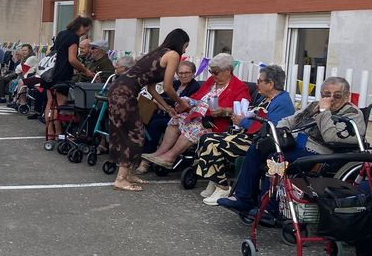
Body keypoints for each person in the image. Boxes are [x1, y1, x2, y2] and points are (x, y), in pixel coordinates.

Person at [219, 76, 365, 216]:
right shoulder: (315, 105)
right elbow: (291, 120)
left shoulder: (352, 114)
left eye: (337, 95)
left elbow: (331, 137)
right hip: (297, 144)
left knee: (276, 158)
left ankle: (269, 209)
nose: (331, 98)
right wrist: (279, 129)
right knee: (258, 147)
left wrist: (324, 112)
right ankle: (243, 198)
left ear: (346, 96)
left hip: (322, 153)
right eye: (327, 94)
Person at [195, 65, 294, 205]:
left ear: (270, 84)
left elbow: (271, 127)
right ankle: (215, 179)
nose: (257, 84)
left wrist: (243, 122)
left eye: (260, 81)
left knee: (212, 142)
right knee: (205, 138)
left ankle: (222, 186)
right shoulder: (264, 98)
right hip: (249, 136)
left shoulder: (282, 102)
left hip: (260, 142)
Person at [107, 28, 191, 191]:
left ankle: (129, 174)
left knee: (132, 131)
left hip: (120, 89)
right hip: (124, 93)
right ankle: (121, 178)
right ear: (180, 43)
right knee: (133, 134)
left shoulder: (158, 53)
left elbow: (152, 88)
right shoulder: (173, 55)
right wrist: (181, 103)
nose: (185, 50)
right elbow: (167, 87)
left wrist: (167, 108)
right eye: (185, 45)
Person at [144, 53, 249, 169]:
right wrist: (186, 101)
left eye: (216, 72)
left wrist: (223, 111)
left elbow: (241, 110)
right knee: (176, 120)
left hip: (213, 122)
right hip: (197, 115)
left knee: (194, 127)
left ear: (228, 71)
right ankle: (160, 153)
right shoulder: (211, 81)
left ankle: (170, 157)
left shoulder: (239, 87)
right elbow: (197, 96)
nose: (213, 75)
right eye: (211, 71)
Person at [138, 61, 201, 165]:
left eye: (187, 72)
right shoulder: (175, 84)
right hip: (166, 112)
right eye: (180, 73)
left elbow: (182, 105)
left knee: (155, 124)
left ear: (193, 73)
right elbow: (161, 97)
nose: (183, 75)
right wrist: (164, 105)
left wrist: (164, 104)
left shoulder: (195, 87)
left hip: (181, 116)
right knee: (145, 120)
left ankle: (145, 162)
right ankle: (142, 154)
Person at [47, 17, 93, 139]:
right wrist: (85, 70)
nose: (86, 33)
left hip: (49, 72)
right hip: (62, 74)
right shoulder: (73, 37)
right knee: (60, 104)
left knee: (50, 102)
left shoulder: (61, 33)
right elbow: (72, 59)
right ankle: (58, 132)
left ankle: (50, 131)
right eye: (86, 29)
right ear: (82, 26)